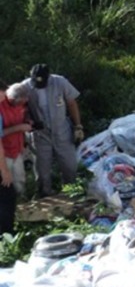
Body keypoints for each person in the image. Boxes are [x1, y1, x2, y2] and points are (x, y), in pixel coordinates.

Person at [21, 64, 83, 197]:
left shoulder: (60, 82)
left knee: (70, 166)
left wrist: (78, 126)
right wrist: (28, 121)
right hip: (40, 134)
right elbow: (19, 108)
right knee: (42, 170)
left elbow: (72, 103)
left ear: (48, 77)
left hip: (62, 131)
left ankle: (71, 193)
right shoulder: (25, 87)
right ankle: (45, 194)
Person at [0, 82, 35, 196]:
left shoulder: (22, 104)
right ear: (11, 98)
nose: (21, 105)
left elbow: (23, 116)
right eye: (19, 102)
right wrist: (19, 128)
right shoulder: (1, 104)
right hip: (4, 152)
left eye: (23, 103)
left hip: (17, 148)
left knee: (20, 179)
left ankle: (22, 200)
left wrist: (27, 122)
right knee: (5, 182)